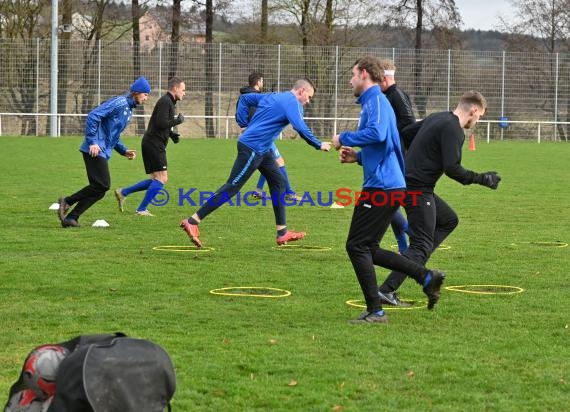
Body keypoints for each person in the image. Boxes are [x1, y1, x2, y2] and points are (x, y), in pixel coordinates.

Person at [332, 56, 445, 324]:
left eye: (352, 75)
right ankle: (425, 276)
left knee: (356, 245)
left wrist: (343, 138)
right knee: (368, 247)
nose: (350, 81)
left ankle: (376, 310)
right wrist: (357, 158)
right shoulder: (373, 102)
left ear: (364, 74)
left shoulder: (377, 100)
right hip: (387, 184)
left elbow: (379, 134)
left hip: (383, 187)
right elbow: (388, 146)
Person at [377, 90, 501, 306]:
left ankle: (418, 257)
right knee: (421, 245)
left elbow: (406, 133)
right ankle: (387, 289)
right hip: (417, 189)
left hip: (411, 184)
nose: (478, 121)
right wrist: (484, 179)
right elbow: (453, 169)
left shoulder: (437, 117)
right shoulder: (454, 129)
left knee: (448, 220)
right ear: (473, 110)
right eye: (480, 116)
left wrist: (413, 159)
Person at [180, 78, 331, 247]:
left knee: (279, 182)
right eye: (309, 97)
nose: (308, 101)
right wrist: (319, 144)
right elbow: (300, 128)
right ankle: (193, 221)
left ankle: (282, 233)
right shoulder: (292, 103)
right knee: (232, 187)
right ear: (301, 90)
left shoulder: (274, 96)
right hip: (252, 148)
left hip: (262, 149)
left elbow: (245, 98)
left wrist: (244, 123)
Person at [57, 77, 151, 227]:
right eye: (145, 94)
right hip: (94, 149)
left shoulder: (128, 110)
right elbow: (93, 116)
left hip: (103, 150)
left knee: (99, 190)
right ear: (137, 93)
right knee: (103, 184)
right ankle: (67, 201)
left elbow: (112, 135)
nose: (146, 98)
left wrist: (123, 150)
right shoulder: (119, 103)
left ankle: (71, 218)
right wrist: (93, 142)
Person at [114, 77, 186, 216]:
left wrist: (171, 135)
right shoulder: (166, 102)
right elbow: (160, 123)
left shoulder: (169, 102)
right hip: (154, 144)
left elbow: (160, 123)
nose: (184, 93)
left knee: (156, 179)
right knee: (162, 178)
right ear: (175, 88)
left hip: (152, 142)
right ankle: (141, 209)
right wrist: (178, 120)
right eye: (183, 90)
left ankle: (123, 192)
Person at [378, 58, 417, 257]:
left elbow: (410, 125)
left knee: (387, 201)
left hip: (397, 157)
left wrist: (406, 152)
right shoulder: (388, 96)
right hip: (391, 156)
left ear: (384, 79)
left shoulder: (396, 96)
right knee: (389, 201)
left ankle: (411, 232)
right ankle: (403, 246)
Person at [240, 71, 298, 201]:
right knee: (278, 162)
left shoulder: (246, 96)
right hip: (260, 136)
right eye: (262, 81)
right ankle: (289, 192)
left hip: (253, 136)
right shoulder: (256, 98)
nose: (262, 83)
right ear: (258, 82)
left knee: (269, 163)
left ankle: (258, 190)